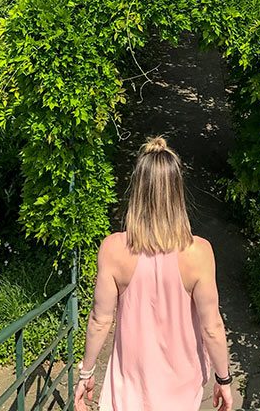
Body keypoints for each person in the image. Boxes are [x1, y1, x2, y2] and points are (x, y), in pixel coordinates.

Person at [75, 136, 234, 411]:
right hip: (183, 386)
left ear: (137, 189)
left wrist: (86, 373)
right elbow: (212, 326)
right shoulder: (199, 252)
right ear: (177, 191)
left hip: (130, 385)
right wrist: (224, 379)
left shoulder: (113, 249)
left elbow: (100, 321)